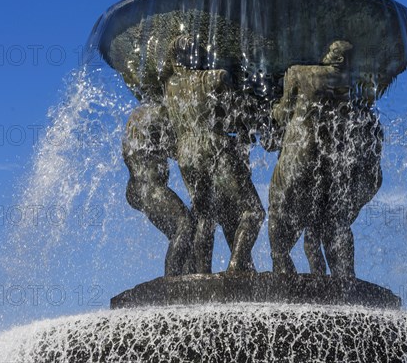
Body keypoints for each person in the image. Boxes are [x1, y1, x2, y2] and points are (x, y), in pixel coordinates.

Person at [268, 40, 383, 277]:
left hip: (300, 151)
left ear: (336, 57)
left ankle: (280, 260)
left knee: (279, 202)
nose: (326, 54)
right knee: (327, 219)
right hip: (330, 160)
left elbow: (282, 114)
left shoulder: (299, 72)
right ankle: (343, 277)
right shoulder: (355, 86)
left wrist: (271, 108)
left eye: (330, 51)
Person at [164, 35, 265, 274]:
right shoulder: (213, 78)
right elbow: (231, 94)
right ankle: (236, 266)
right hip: (214, 147)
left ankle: (202, 275)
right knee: (253, 211)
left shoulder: (170, 88)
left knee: (205, 216)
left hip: (186, 154)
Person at [123, 102, 196, 276]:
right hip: (150, 187)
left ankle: (187, 275)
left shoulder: (140, 114)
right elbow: (179, 150)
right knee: (186, 223)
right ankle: (171, 281)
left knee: (178, 236)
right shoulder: (158, 112)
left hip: (136, 189)